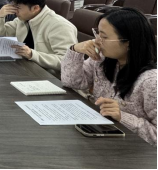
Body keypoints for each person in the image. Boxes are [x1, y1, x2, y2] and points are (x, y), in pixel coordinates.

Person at [61, 8, 157, 145]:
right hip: (101, 136)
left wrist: (122, 117)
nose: (97, 41)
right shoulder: (103, 60)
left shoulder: (151, 81)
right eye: (97, 34)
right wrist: (75, 50)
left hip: (131, 150)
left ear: (128, 42)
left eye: (104, 37)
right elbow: (72, 82)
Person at [0, 0, 77, 71]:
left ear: (35, 8)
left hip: (48, 74)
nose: (14, 11)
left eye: (18, 7)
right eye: (13, 6)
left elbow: (68, 62)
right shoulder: (23, 19)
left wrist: (32, 54)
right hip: (25, 67)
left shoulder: (60, 26)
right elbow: (0, 38)